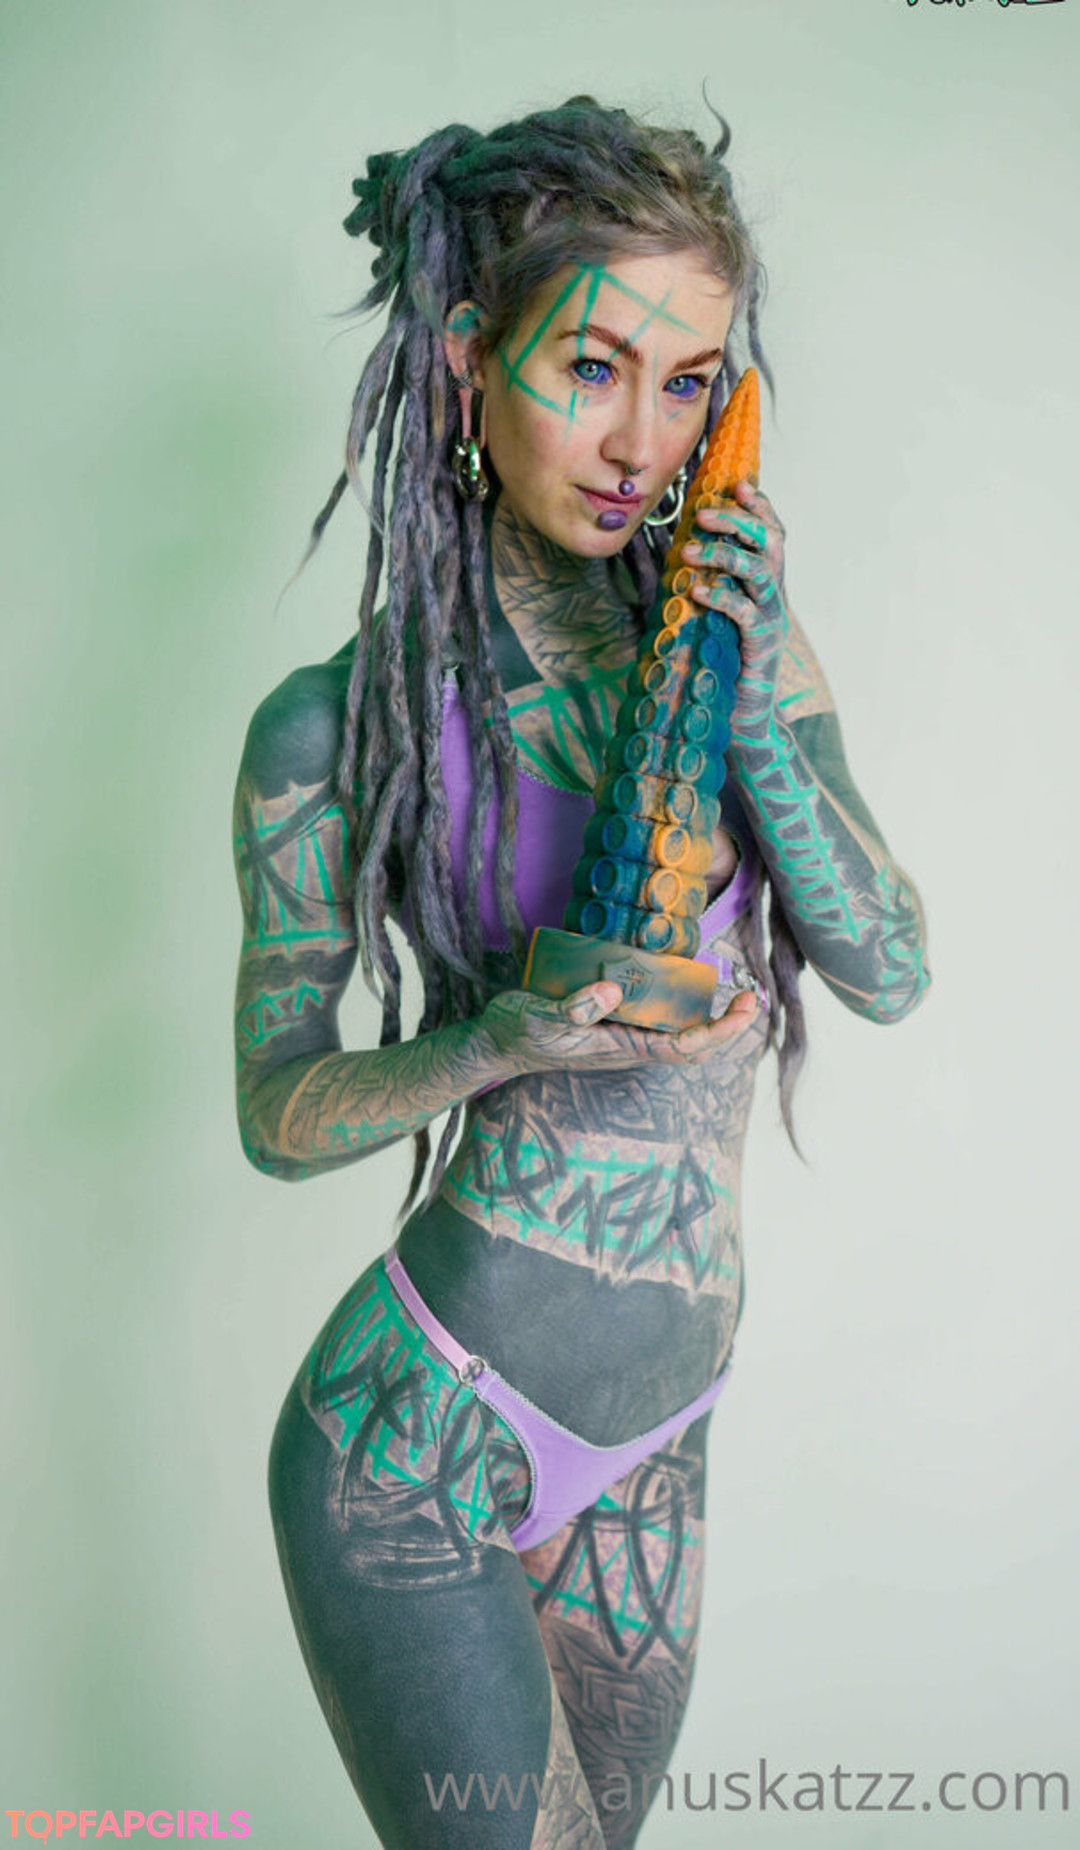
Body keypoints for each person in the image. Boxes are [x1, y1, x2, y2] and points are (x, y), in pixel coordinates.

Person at [232, 96, 930, 1850]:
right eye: (594, 366)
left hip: (658, 1436)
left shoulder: (737, 643)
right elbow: (277, 1111)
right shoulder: (335, 727)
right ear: (472, 360)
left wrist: (752, 702)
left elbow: (890, 963)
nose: (641, 441)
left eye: (688, 381)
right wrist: (495, 1040)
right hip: (418, 1441)